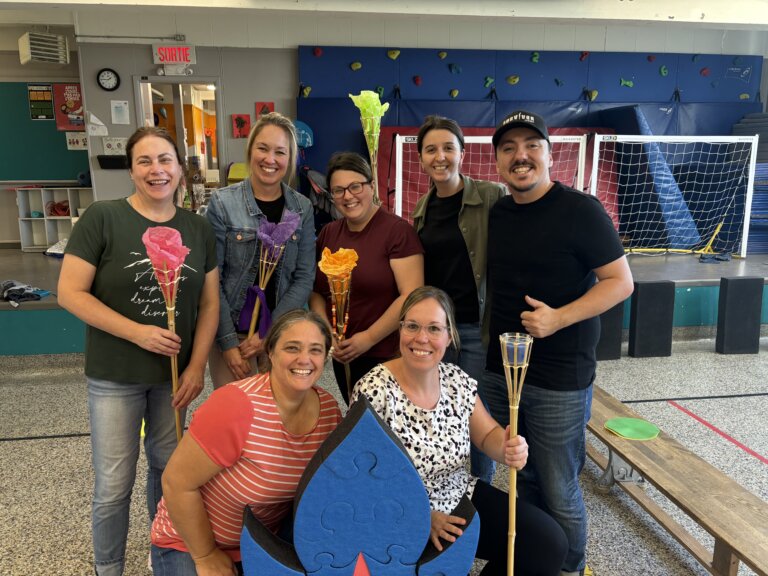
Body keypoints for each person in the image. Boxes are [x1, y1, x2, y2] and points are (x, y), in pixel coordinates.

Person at [58, 126, 220, 576]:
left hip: (172, 379)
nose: (156, 170)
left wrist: (196, 367)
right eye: (145, 161)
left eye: (165, 160)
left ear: (181, 170)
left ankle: (163, 551)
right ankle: (107, 567)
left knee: (170, 474)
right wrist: (138, 333)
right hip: (115, 376)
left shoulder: (197, 228)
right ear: (131, 170)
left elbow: (209, 304)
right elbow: (71, 293)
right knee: (114, 483)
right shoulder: (103, 218)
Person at [484, 110, 634, 576]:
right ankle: (538, 561)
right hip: (502, 369)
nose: (520, 155)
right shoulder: (499, 212)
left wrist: (559, 318)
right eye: (508, 148)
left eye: (531, 145)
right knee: (521, 478)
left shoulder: (580, 210)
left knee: (558, 485)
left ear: (550, 154)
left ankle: (571, 567)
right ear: (498, 162)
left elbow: (620, 281)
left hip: (560, 376)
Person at [351, 286, 568, 576]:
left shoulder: (457, 381)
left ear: (449, 336)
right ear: (400, 330)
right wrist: (420, 518)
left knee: (546, 544)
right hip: (396, 512)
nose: (422, 338)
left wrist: (505, 446)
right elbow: (359, 477)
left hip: (457, 495)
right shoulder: (373, 390)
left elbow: (486, 434)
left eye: (434, 328)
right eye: (412, 326)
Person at [150, 309, 342, 576]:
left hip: (262, 542)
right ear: (271, 352)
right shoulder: (236, 406)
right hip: (190, 541)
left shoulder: (329, 412)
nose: (305, 359)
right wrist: (205, 556)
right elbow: (175, 482)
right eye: (292, 348)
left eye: (316, 350)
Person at [412, 115, 506, 485]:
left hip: (476, 329)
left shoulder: (491, 197)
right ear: (420, 158)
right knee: (439, 411)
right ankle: (444, 488)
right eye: (431, 149)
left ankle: (480, 491)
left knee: (475, 414)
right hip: (439, 331)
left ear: (462, 153)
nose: (440, 156)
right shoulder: (420, 211)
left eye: (448, 147)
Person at [206, 112, 316, 388]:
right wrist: (228, 344)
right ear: (250, 150)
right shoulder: (222, 203)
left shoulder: (302, 208)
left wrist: (270, 331)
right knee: (237, 421)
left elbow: (303, 277)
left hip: (279, 337)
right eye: (263, 148)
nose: (270, 159)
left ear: (290, 158)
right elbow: (212, 280)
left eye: (280, 152)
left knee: (277, 420)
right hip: (232, 337)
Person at [310, 152, 423, 403]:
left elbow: (411, 295)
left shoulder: (397, 232)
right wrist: (327, 331)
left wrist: (369, 337)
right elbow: (317, 291)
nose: (347, 196)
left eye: (355, 186)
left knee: (385, 428)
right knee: (354, 417)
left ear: (371, 186)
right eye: (338, 190)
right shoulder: (329, 233)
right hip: (344, 353)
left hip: (388, 354)